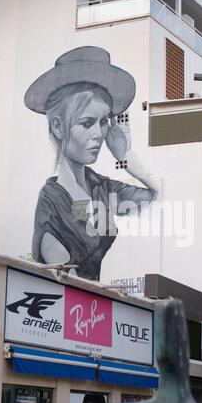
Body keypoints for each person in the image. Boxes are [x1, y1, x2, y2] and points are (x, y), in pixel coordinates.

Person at [24, 46, 157, 280]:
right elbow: (65, 279)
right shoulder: (51, 200)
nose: (98, 134)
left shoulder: (101, 188)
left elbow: (160, 198)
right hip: (71, 309)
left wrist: (126, 158)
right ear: (58, 127)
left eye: (103, 121)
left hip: (95, 309)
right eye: (86, 123)